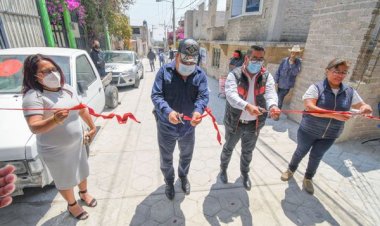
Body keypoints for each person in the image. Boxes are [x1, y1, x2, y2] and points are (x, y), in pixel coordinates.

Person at [22, 54, 98, 220]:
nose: (53, 73)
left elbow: (82, 109)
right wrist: (54, 119)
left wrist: (92, 127)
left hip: (77, 144)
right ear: (35, 76)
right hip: (55, 150)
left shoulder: (67, 89)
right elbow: (34, 126)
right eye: (46, 71)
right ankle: (72, 205)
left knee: (82, 171)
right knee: (65, 178)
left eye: (54, 69)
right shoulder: (33, 97)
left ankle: (84, 194)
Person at [280, 58, 373, 195]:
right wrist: (335, 115)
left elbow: (362, 105)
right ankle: (291, 169)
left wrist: (366, 107)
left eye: (343, 72)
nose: (339, 75)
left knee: (316, 156)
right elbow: (310, 107)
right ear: (327, 71)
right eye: (336, 71)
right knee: (300, 151)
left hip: (330, 134)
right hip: (308, 130)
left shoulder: (349, 91)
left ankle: (308, 178)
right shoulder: (316, 88)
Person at [151, 38, 209, 200]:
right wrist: (168, 112)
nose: (188, 66)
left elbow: (203, 96)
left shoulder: (200, 75)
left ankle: (183, 176)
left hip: (188, 128)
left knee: (186, 155)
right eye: (185, 61)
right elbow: (156, 95)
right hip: (166, 127)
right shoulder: (164, 72)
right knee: (166, 157)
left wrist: (198, 111)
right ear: (177, 56)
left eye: (192, 62)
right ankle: (169, 182)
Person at [219, 45, 280, 190]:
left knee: (248, 151)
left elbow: (271, 93)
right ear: (247, 58)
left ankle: (244, 174)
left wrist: (273, 106)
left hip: (254, 124)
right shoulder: (234, 74)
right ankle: (223, 169)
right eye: (255, 58)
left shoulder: (267, 76)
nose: (258, 62)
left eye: (261, 59)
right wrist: (247, 106)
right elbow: (231, 96)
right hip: (235, 122)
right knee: (228, 148)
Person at [274, 45, 302, 109]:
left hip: (287, 86)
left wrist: (292, 64)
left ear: (297, 54)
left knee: (279, 99)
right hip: (279, 84)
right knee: (276, 98)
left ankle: (275, 113)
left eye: (295, 53)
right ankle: (274, 112)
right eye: (292, 53)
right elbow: (278, 71)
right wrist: (276, 81)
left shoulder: (298, 62)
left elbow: (295, 73)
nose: (293, 55)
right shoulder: (284, 60)